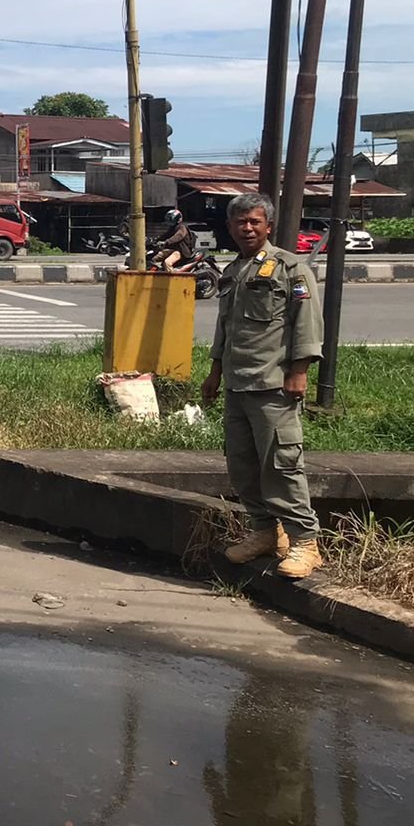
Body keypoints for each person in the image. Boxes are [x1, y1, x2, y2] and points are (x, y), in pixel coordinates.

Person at [200, 191, 325, 578]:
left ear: (268, 226)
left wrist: (299, 371)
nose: (247, 228)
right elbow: (226, 328)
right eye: (240, 222)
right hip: (238, 384)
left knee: (282, 465)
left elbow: (307, 323)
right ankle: (266, 532)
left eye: (255, 221)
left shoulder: (290, 269)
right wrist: (215, 372)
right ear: (230, 227)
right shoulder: (234, 271)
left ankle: (305, 542)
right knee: (242, 465)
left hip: (274, 385)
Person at [155, 207, 194, 272]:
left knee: (167, 262)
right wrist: (155, 239)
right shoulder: (173, 228)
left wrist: (166, 242)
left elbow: (178, 236)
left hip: (180, 251)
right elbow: (165, 235)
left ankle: (173, 280)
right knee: (154, 257)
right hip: (172, 249)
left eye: (171, 220)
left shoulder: (182, 227)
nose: (169, 222)